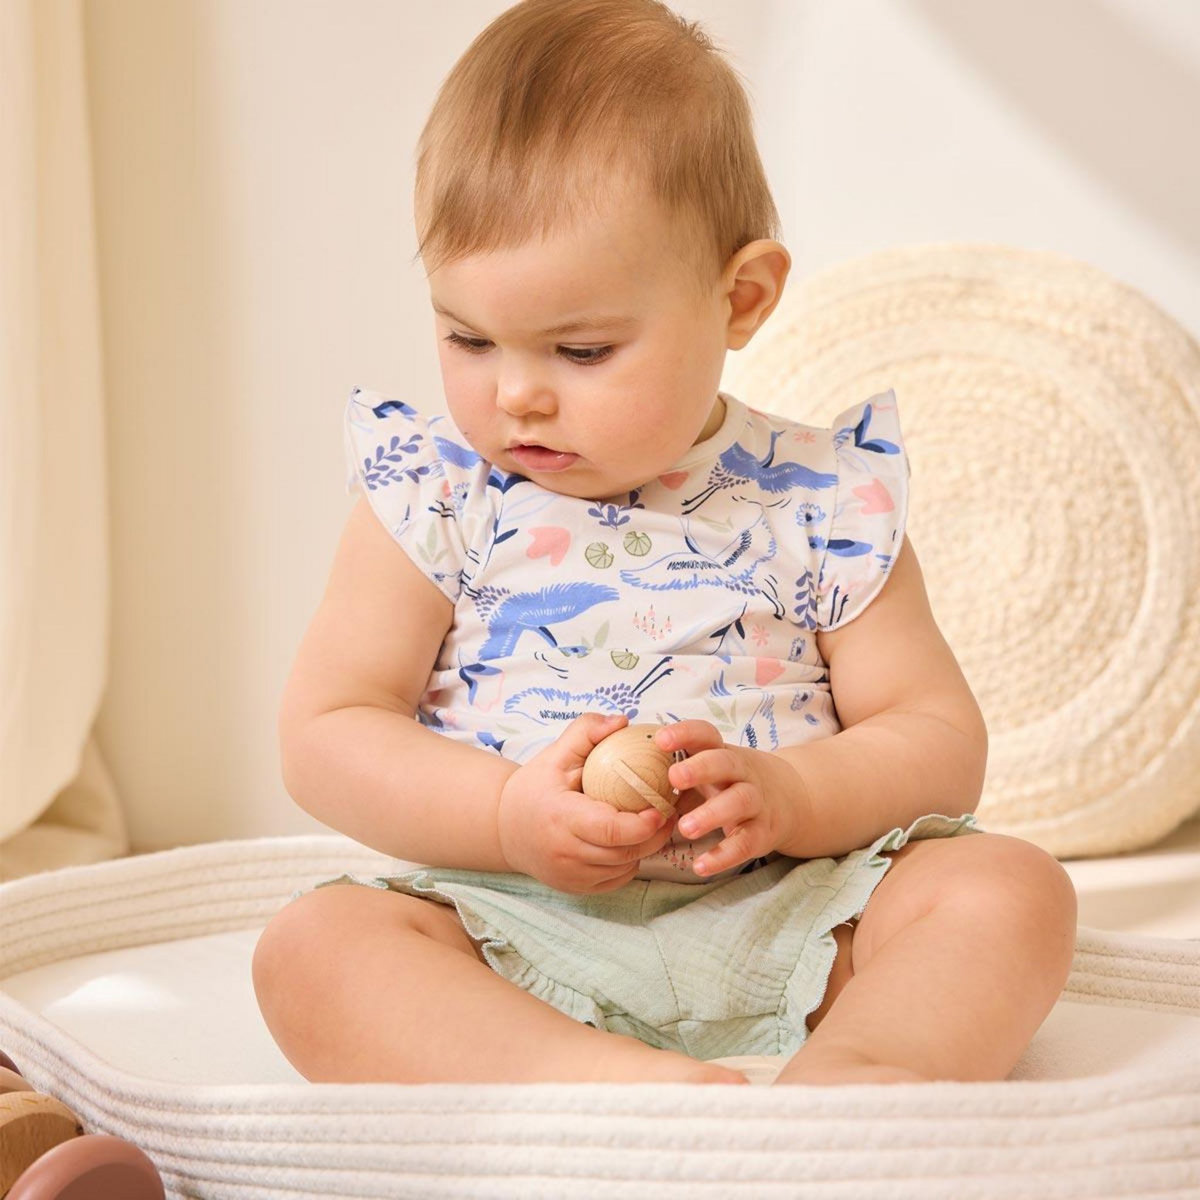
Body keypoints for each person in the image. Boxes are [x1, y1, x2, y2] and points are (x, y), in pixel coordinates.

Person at [253, 0, 1077, 1087]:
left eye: (582, 349)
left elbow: (935, 739)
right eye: (467, 336)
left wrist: (796, 795)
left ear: (740, 297)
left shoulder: (820, 499)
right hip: (518, 928)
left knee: (1011, 890)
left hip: (797, 913)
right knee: (314, 952)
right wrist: (504, 818)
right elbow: (327, 731)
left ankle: (864, 1082)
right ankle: (609, 1095)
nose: (515, 397)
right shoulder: (437, 495)